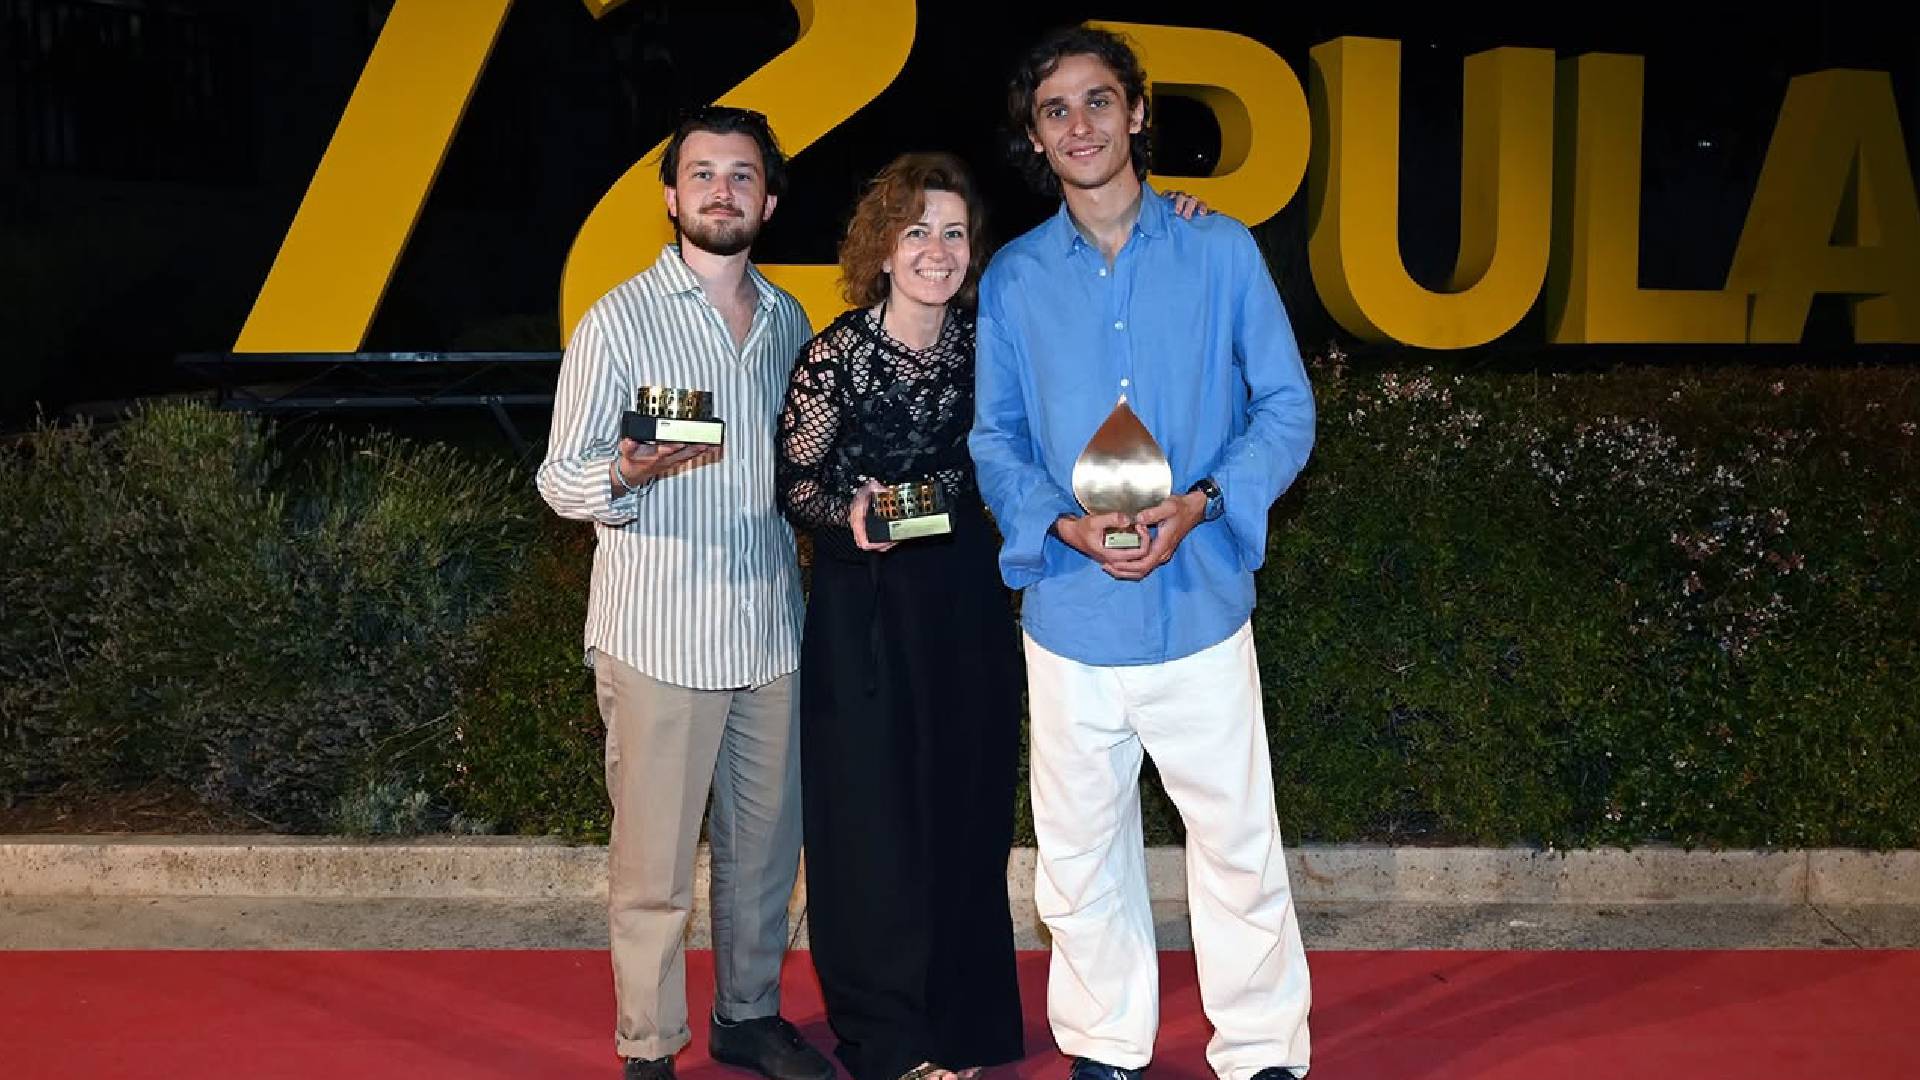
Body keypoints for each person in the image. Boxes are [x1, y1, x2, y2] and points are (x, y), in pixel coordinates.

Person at [967, 26, 1317, 1080]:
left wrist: (1205, 503)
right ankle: (1105, 1044)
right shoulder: (1014, 278)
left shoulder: (1221, 250)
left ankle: (1260, 1051)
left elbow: (1287, 408)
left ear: (1137, 112)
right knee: (1079, 858)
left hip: (1200, 605)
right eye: (1056, 110)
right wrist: (1058, 523)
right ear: (1036, 138)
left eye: (1097, 101)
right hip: (1071, 615)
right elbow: (997, 438)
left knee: (1238, 847)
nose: (1079, 124)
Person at [536, 105, 835, 1080]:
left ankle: (748, 1017)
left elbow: (800, 470)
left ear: (769, 201)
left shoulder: (790, 322)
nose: (721, 190)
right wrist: (622, 473)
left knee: (766, 857)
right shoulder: (618, 320)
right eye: (702, 173)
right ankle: (651, 1045)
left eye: (742, 175)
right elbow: (559, 478)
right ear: (671, 197)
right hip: (659, 633)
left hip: (770, 631)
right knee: (654, 867)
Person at [774, 152, 1025, 1080]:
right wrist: (842, 510)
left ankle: (964, 1024)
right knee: (872, 820)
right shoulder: (834, 355)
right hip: (866, 606)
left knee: (966, 808)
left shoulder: (989, 345)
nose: (937, 250)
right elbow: (793, 481)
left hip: (963, 598)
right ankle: (891, 1041)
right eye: (917, 231)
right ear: (882, 248)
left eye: (954, 233)